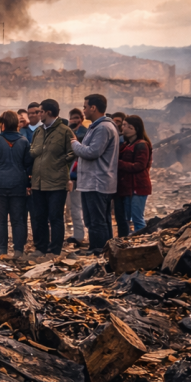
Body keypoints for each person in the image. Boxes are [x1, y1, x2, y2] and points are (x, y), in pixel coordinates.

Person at [72, 94, 120, 253]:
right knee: (98, 220)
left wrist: (74, 143)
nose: (84, 110)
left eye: (85, 107)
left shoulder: (103, 128)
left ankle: (98, 250)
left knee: (96, 221)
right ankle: (103, 250)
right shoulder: (98, 127)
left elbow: (92, 152)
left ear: (93, 108)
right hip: (94, 182)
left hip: (97, 182)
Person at [28, 99, 75, 259]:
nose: (37, 114)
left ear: (48, 112)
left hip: (56, 182)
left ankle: (54, 250)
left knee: (55, 217)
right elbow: (32, 150)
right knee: (39, 216)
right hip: (38, 182)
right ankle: (41, 247)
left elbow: (73, 152)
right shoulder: (39, 132)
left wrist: (60, 162)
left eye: (40, 111)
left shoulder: (64, 131)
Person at [0, 111, 32, 259]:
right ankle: (18, 251)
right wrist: (28, 184)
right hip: (18, 184)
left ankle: (2, 250)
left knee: (0, 220)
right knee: (18, 220)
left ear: (2, 124)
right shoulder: (24, 141)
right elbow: (28, 165)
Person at [115, 115, 153, 235]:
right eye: (124, 125)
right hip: (128, 188)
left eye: (127, 126)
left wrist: (119, 163)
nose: (123, 128)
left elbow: (139, 166)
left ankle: (142, 243)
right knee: (128, 218)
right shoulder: (126, 145)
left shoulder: (141, 145)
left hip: (138, 187)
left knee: (137, 218)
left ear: (135, 129)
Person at [66, 108, 88, 246]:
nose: (74, 120)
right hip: (65, 173)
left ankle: (79, 235)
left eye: (76, 118)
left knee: (76, 206)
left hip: (77, 174)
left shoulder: (86, 133)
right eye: (72, 118)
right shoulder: (66, 131)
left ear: (81, 118)